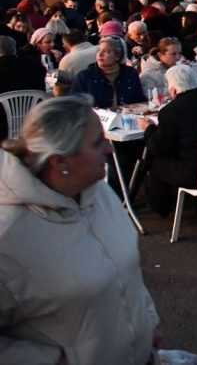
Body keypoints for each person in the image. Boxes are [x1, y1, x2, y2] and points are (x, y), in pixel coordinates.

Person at [0, 95, 161, 364]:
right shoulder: (10, 235)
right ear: (59, 161)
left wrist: (148, 322)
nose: (109, 149)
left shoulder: (100, 194)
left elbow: (127, 273)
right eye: (97, 142)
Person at [139, 64, 197, 217]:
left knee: (156, 163)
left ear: (173, 90)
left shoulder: (171, 111)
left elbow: (159, 148)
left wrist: (148, 128)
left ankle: (161, 209)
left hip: (192, 172)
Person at [69, 36, 146, 108]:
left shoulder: (130, 74)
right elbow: (73, 106)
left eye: (106, 51)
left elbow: (140, 102)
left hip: (129, 117)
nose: (100, 54)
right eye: (98, 50)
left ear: (118, 56)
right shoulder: (84, 77)